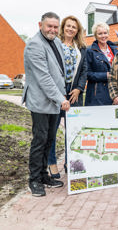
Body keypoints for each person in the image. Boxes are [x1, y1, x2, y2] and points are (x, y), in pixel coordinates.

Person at [23, 12, 70, 196]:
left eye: (55, 27)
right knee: (39, 140)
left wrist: (62, 96)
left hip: (55, 102)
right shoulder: (35, 45)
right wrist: (61, 99)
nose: (53, 30)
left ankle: (43, 175)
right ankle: (34, 180)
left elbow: (59, 72)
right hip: (41, 101)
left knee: (49, 139)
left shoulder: (56, 41)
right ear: (40, 24)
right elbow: (44, 78)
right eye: (49, 26)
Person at [48, 16, 88, 178]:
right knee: (52, 130)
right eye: (68, 26)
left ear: (77, 31)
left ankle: (69, 162)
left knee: (73, 131)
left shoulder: (82, 48)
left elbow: (84, 70)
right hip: (57, 92)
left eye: (74, 27)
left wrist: (79, 88)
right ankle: (51, 164)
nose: (71, 29)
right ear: (63, 27)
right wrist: (58, 93)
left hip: (74, 94)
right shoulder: (54, 45)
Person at [85, 22, 118, 106]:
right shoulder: (90, 51)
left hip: (114, 92)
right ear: (95, 35)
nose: (103, 36)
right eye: (100, 34)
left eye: (105, 33)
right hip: (98, 93)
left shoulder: (115, 50)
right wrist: (105, 75)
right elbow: (87, 74)